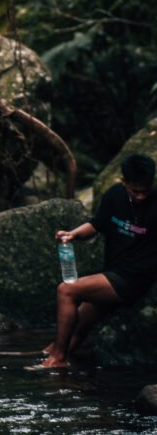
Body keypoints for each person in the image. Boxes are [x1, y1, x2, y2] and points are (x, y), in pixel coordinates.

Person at [38, 152, 157, 369]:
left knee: (66, 290)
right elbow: (97, 224)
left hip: (134, 279)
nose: (140, 196)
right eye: (135, 191)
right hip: (111, 273)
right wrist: (72, 235)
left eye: (145, 191)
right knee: (71, 331)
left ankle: (58, 360)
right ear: (124, 182)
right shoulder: (115, 195)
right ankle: (51, 361)